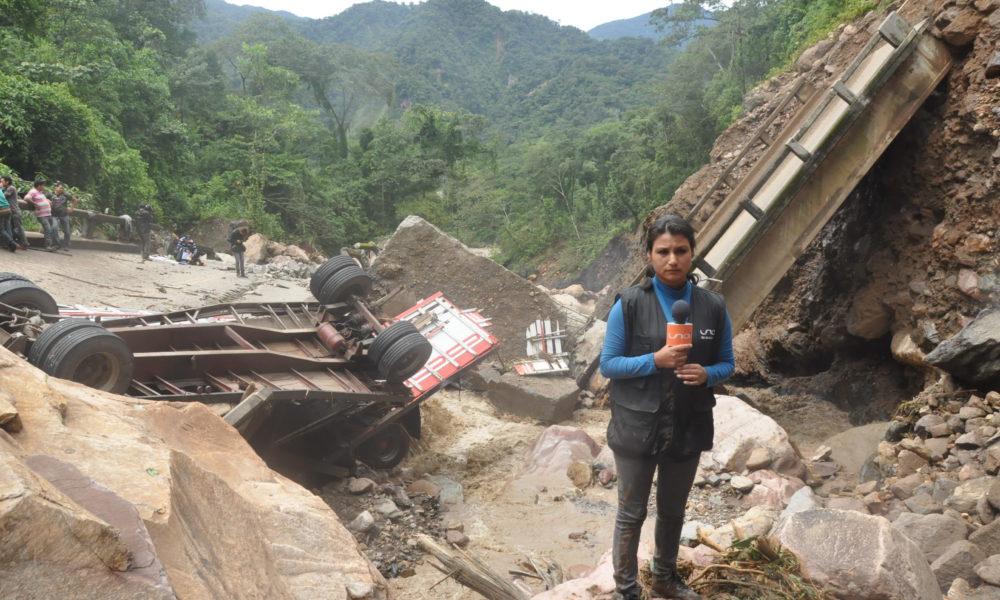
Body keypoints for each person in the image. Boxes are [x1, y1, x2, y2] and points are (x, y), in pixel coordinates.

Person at [600, 214, 734, 600]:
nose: (672, 259)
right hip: (636, 426)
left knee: (673, 511)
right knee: (631, 513)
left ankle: (664, 578)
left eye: (680, 250)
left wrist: (706, 374)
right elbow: (609, 365)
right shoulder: (629, 304)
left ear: (692, 253)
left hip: (688, 423)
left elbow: (728, 363)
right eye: (663, 252)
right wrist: (653, 361)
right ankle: (626, 590)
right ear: (649, 255)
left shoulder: (712, 306)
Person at [24, 178, 59, 250]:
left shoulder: (40, 192)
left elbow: (43, 200)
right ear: (39, 185)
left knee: (51, 229)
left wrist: (48, 202)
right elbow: (26, 198)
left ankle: (51, 244)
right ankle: (47, 246)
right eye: (43, 185)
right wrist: (35, 204)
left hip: (48, 214)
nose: (44, 187)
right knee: (48, 229)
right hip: (42, 215)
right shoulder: (33, 191)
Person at [48, 182, 78, 249]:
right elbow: (43, 198)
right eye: (60, 188)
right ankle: (56, 244)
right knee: (54, 228)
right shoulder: (50, 194)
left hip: (64, 215)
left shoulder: (65, 195)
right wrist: (47, 200)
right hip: (54, 215)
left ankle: (66, 245)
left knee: (67, 231)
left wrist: (71, 209)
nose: (61, 189)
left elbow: (75, 200)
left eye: (62, 188)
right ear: (56, 187)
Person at [1, 176, 27, 249]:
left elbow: (3, 196)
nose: (2, 183)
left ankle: (24, 243)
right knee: (10, 228)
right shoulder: (6, 188)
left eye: (2, 181)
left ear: (7, 182)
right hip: (10, 211)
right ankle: (12, 244)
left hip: (15, 211)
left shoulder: (11, 188)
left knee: (19, 228)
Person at [0, 182, 14, 252]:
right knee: (8, 227)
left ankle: (11, 242)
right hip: (8, 209)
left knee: (1, 229)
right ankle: (9, 244)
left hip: (2, 211)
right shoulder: (1, 190)